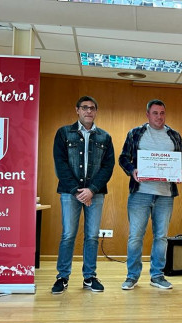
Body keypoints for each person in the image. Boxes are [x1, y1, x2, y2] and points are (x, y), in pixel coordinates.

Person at [119, 99, 182, 290]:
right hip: (140, 193)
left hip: (165, 195)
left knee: (161, 237)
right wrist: (132, 170)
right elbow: (123, 158)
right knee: (135, 237)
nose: (159, 116)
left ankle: (157, 275)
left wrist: (179, 171)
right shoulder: (136, 133)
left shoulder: (174, 135)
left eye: (162, 113)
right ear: (147, 115)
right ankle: (132, 276)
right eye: (155, 113)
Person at [51, 96, 115, 294]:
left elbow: (108, 166)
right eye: (85, 108)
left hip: (95, 194)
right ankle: (62, 277)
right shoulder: (64, 133)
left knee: (92, 236)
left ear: (96, 112)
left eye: (93, 108)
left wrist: (91, 190)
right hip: (70, 193)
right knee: (68, 234)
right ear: (77, 110)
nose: (89, 111)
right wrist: (77, 191)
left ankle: (89, 277)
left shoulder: (105, 137)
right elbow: (60, 164)